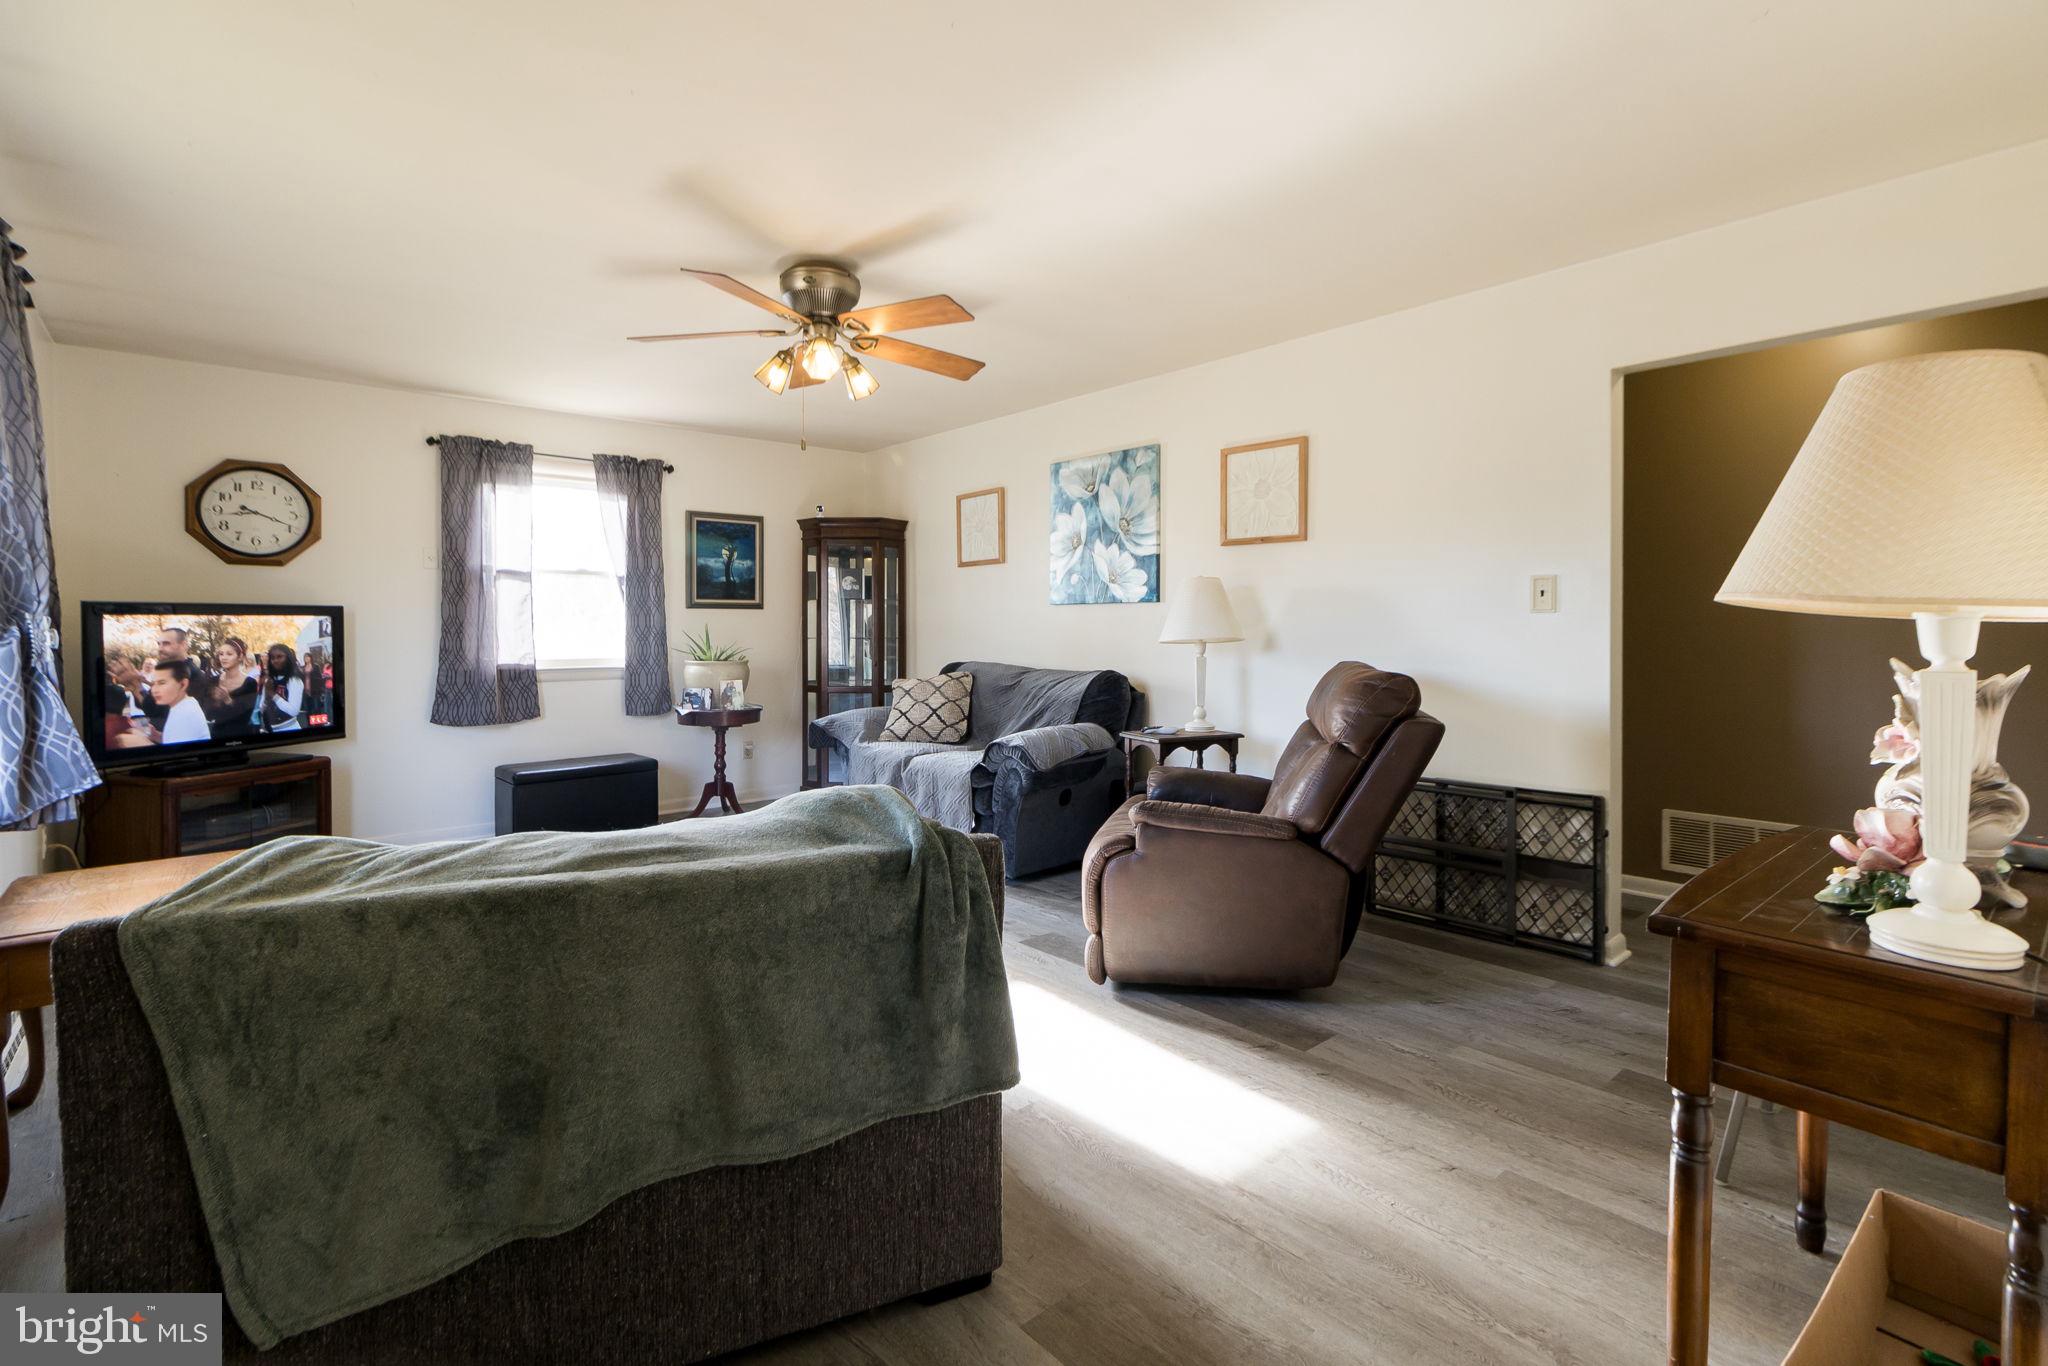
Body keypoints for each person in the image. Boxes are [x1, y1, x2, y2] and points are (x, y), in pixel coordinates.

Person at [108, 628, 218, 733]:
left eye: (166, 643)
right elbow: (151, 708)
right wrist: (135, 686)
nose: (160, 648)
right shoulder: (166, 671)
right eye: (159, 644)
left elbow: (170, 719)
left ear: (184, 645)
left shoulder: (192, 675)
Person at [207, 636, 261, 738]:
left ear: (240, 656)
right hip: (217, 736)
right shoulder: (213, 681)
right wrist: (216, 701)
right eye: (221, 654)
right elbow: (209, 715)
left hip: (241, 736)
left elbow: (245, 716)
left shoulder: (250, 683)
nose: (223, 657)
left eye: (229, 654)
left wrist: (228, 700)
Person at [150, 660, 212, 746]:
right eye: (153, 684)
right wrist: (158, 737)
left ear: (183, 684)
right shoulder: (185, 704)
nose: (154, 690)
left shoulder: (185, 713)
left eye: (162, 683)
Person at [258, 643, 305, 733]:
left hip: (290, 728)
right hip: (271, 729)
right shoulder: (270, 679)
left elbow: (294, 711)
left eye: (279, 657)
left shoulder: (294, 680)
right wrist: (267, 698)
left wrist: (273, 694)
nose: (275, 660)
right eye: (272, 658)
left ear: (288, 658)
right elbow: (261, 708)